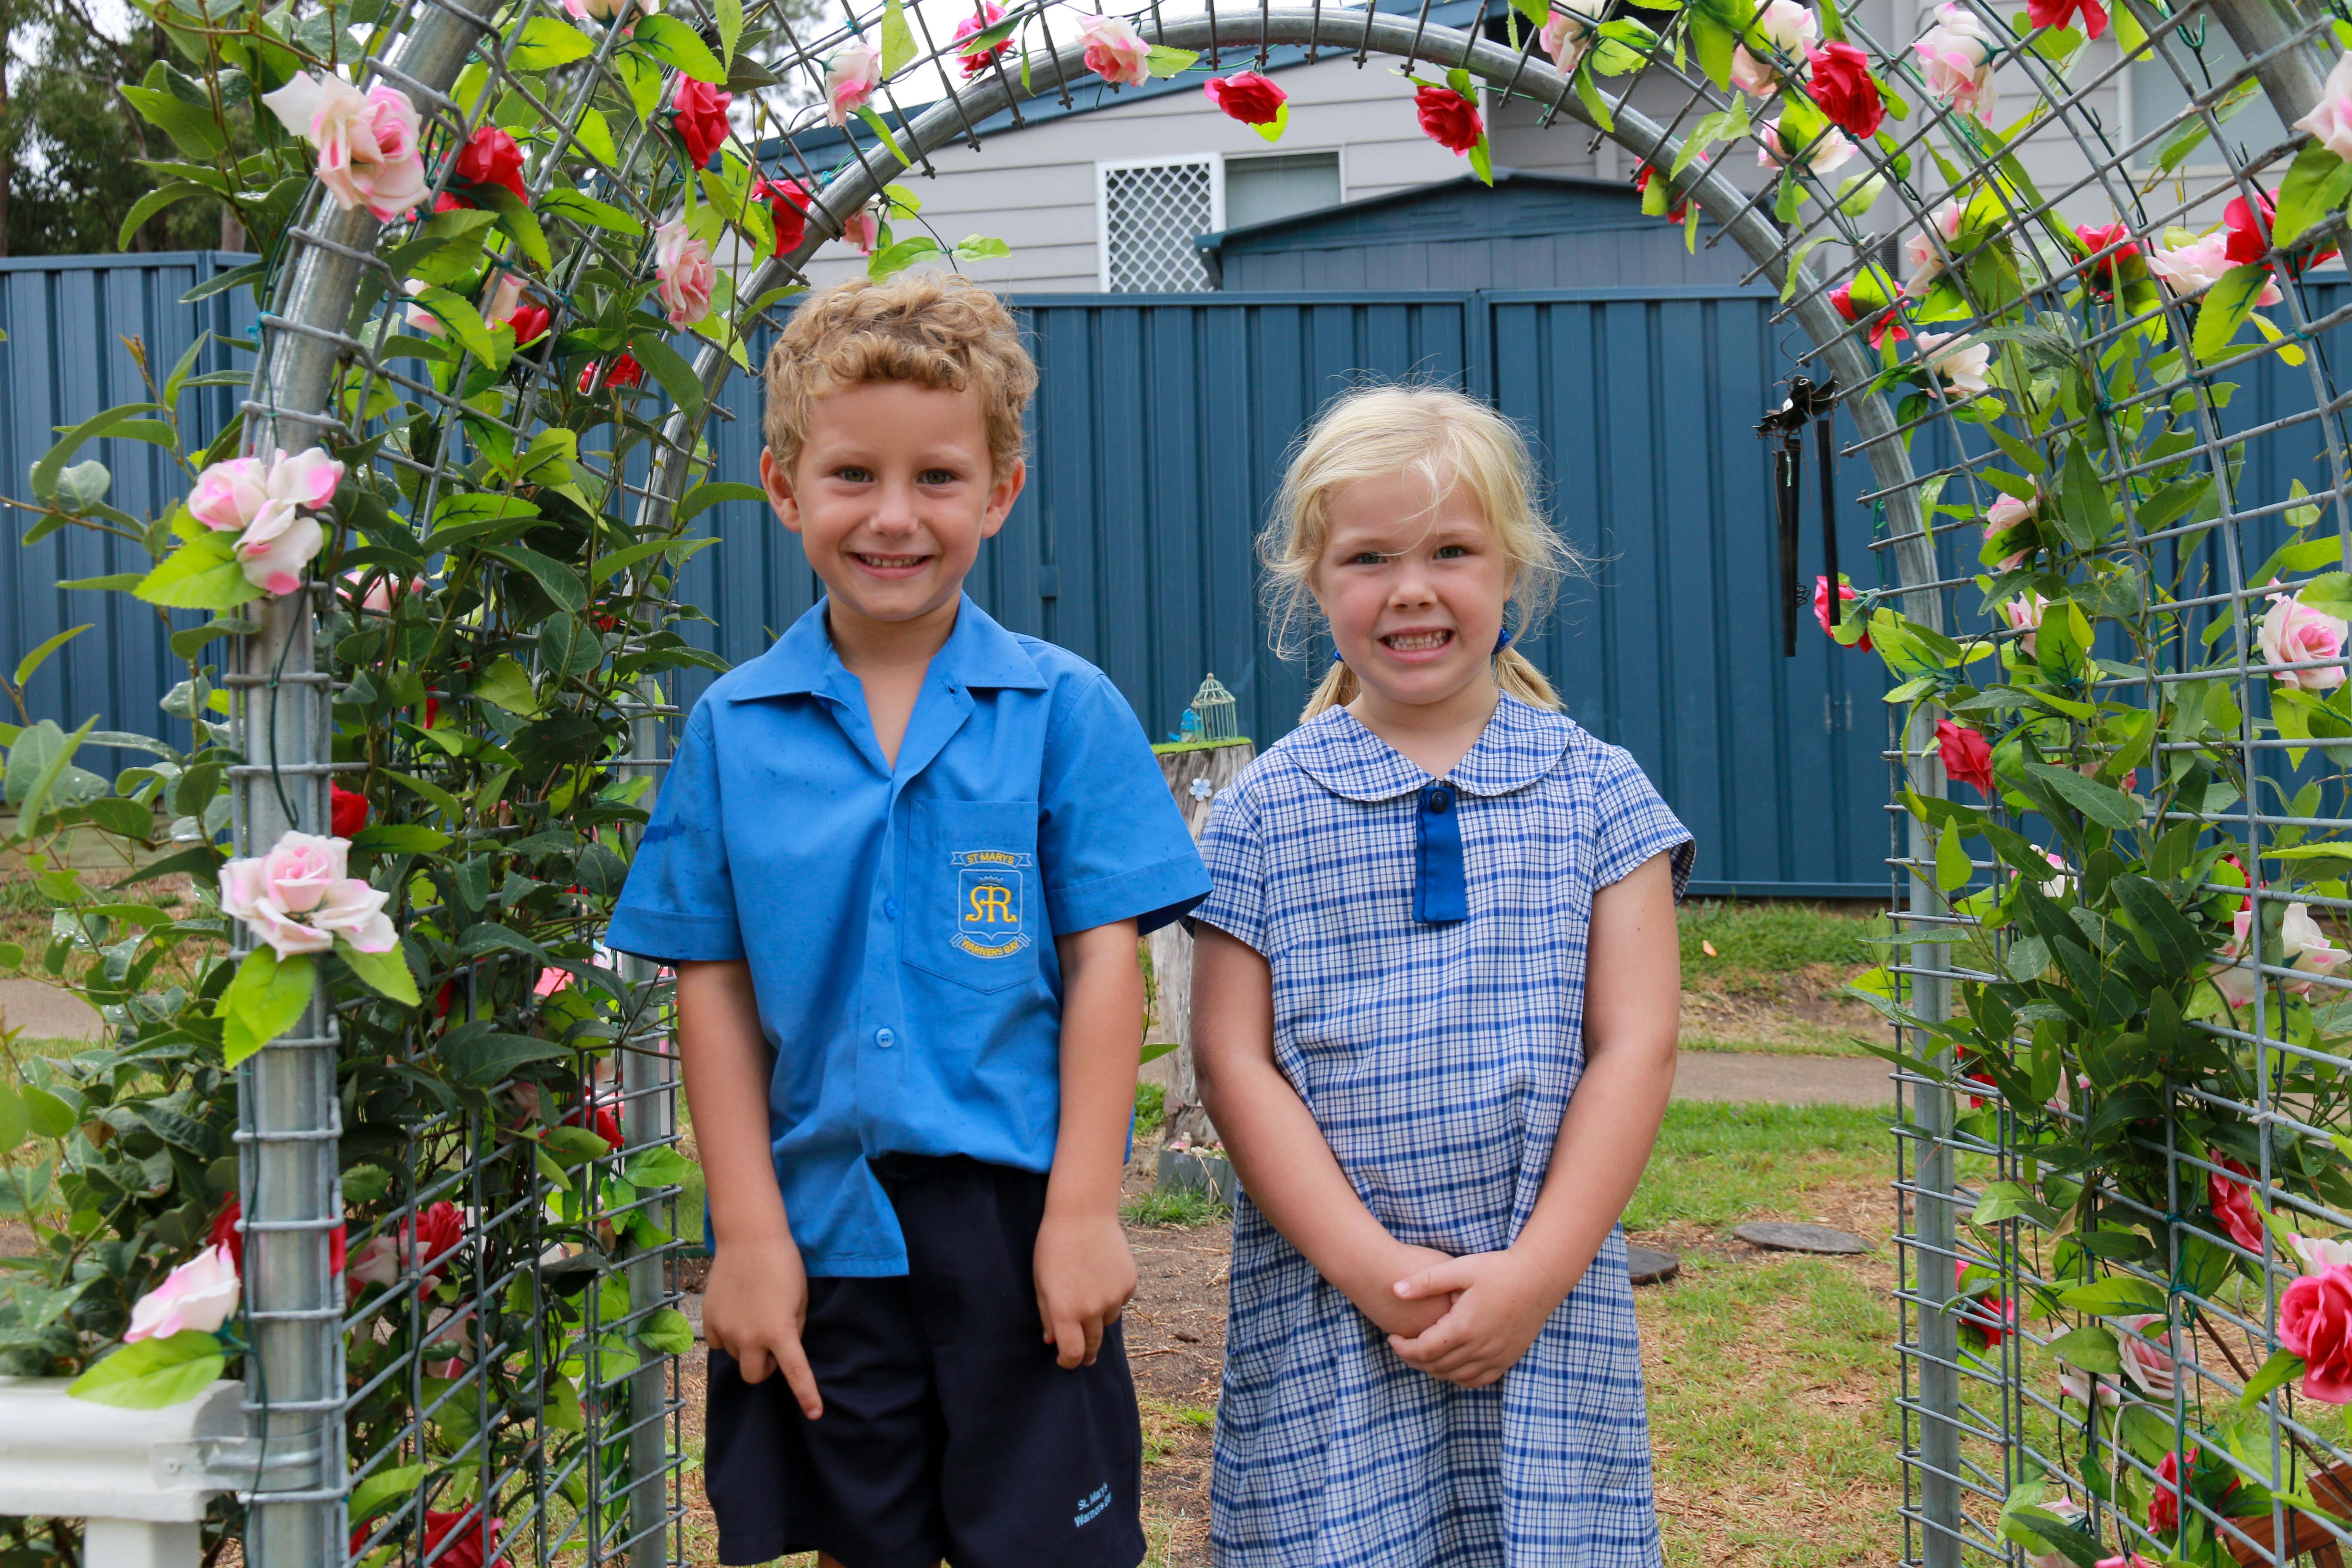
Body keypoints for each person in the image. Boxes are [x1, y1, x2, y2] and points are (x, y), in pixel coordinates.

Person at [607, 272, 1210, 1568]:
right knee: (862, 1545)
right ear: (782, 485)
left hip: (1017, 1227)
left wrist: (1086, 1211)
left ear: (1001, 490)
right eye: (850, 477)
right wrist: (750, 1234)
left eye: (938, 478)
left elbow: (1108, 961)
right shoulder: (731, 731)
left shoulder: (1067, 712)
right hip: (822, 1229)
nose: (894, 518)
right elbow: (707, 985)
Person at [1190, 383, 1690, 1566]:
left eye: (1452, 551)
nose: (1412, 590)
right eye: (1369, 557)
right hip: (1334, 1305)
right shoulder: (1263, 812)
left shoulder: (1600, 793)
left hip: (1543, 1291)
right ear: (1313, 581)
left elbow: (1639, 1044)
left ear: (1513, 569)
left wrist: (1535, 1275)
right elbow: (1231, 1059)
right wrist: (1378, 1273)